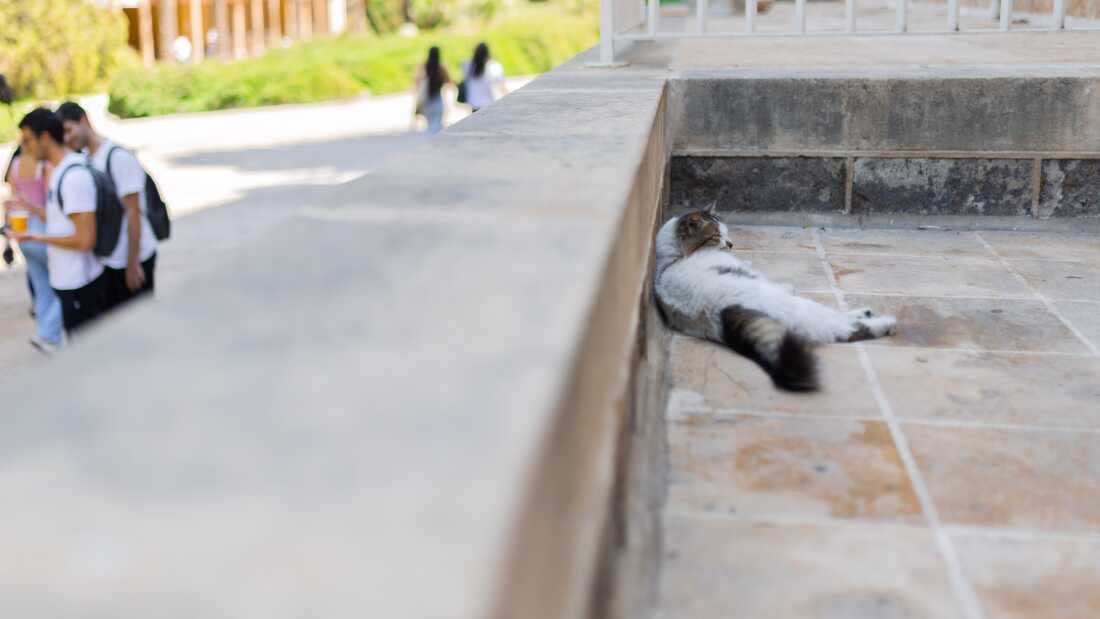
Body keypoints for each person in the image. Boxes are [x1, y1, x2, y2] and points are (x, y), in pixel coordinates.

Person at [6, 108, 107, 335]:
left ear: (45, 137)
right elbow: (58, 219)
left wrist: (34, 236)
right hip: (70, 282)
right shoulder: (60, 172)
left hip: (81, 284)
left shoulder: (72, 176)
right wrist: (28, 206)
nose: (24, 148)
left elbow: (84, 240)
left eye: (28, 140)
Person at [57, 101, 157, 308]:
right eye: (63, 135)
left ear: (83, 120)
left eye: (69, 130)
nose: (67, 139)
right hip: (110, 260)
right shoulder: (85, 159)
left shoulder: (118, 157)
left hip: (132, 258)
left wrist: (132, 263)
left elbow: (134, 213)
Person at [4, 143, 63, 353]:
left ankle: (44, 333)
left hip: (22, 232)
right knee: (62, 285)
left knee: (41, 287)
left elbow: (12, 200)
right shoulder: (45, 165)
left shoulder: (16, 165)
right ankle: (49, 333)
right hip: (42, 231)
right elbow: (50, 206)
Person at [462, 43, 508, 113]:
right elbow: (502, 88)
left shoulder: (466, 65)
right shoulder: (494, 66)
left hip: (474, 105)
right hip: (489, 103)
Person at [415, 46, 451, 134]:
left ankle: (430, 142)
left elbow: (417, 83)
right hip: (438, 100)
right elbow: (448, 81)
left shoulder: (423, 67)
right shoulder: (441, 67)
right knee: (438, 125)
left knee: (429, 125)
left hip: (426, 101)